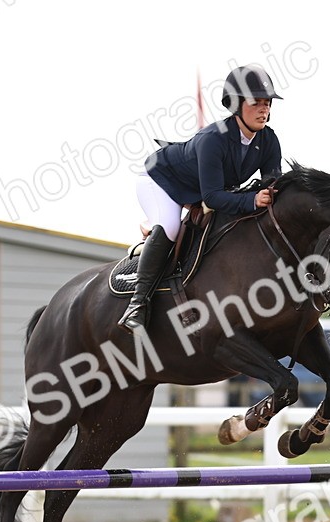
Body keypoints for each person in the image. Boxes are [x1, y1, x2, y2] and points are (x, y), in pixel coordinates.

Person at [119, 65, 285, 332]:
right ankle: (137, 305)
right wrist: (253, 200)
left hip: (202, 189)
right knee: (171, 227)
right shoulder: (213, 139)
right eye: (256, 103)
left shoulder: (268, 140)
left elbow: (271, 186)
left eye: (267, 103)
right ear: (236, 104)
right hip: (161, 181)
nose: (263, 109)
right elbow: (212, 197)